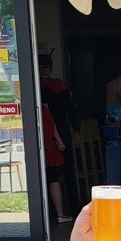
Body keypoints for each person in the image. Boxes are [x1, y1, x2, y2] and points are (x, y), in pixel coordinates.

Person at [39, 52, 81, 214]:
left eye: (47, 67)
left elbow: (71, 111)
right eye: (41, 67)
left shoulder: (60, 86)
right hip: (43, 132)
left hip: (62, 131)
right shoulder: (34, 86)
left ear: (51, 69)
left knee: (68, 169)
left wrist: (76, 131)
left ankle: (74, 206)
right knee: (48, 171)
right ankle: (51, 210)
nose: (44, 70)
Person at [42, 101, 71, 223]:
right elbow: (51, 124)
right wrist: (59, 140)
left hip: (39, 142)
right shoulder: (43, 107)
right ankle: (60, 214)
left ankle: (43, 215)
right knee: (53, 177)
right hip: (47, 143)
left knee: (46, 177)